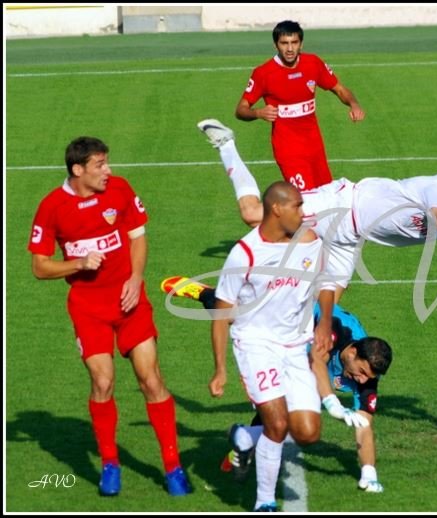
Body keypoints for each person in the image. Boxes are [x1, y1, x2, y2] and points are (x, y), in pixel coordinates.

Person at [177, 123, 437, 332]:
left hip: (349, 240)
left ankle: (216, 300)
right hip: (340, 206)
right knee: (253, 213)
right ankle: (226, 145)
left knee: (313, 318)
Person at [27, 136, 191, 496]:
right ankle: (110, 463)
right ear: (78, 170)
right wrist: (77, 263)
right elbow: (39, 267)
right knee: (103, 383)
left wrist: (135, 277)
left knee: (151, 379)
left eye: (107, 163)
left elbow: (138, 237)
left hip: (131, 301)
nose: (108, 171)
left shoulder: (119, 190)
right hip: (88, 308)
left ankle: (173, 466)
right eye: (100, 165)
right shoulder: (52, 207)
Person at [209, 181, 336, 512]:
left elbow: (325, 283)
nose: (303, 212)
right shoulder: (245, 253)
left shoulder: (308, 240)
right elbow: (221, 315)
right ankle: (264, 501)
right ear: (276, 208)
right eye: (297, 205)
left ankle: (245, 436)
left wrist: (323, 323)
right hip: (256, 345)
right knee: (277, 425)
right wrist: (221, 368)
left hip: (296, 346)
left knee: (307, 433)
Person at [198, 19, 365, 227]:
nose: (289, 48)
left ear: (301, 44)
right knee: (303, 204)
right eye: (284, 43)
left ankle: (316, 249)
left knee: (325, 201)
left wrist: (354, 104)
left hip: (315, 147)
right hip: (289, 149)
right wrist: (258, 112)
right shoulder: (264, 73)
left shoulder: (313, 64)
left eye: (294, 43)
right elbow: (240, 110)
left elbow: (339, 89)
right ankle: (290, 246)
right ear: (276, 45)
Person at [221, 304, 393, 493]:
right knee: (233, 315)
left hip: (303, 352)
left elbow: (364, 425)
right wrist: (332, 403)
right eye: (361, 372)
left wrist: (369, 473)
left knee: (293, 419)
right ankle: (206, 294)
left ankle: (245, 439)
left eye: (369, 377)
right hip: (288, 325)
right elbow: (316, 361)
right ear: (352, 353)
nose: (362, 380)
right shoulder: (337, 331)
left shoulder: (367, 377)